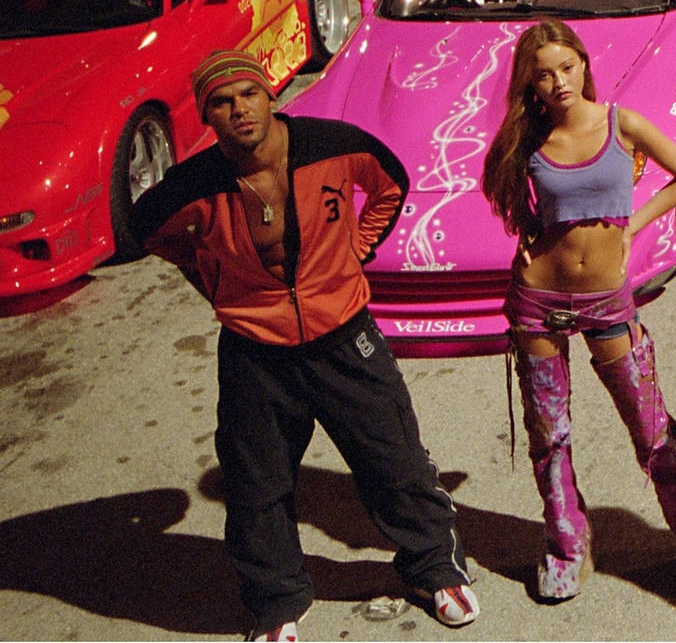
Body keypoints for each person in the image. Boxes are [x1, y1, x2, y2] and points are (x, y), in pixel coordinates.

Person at [127, 50, 476, 642]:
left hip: (344, 334)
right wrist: (211, 277)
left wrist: (356, 249)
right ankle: (276, 600)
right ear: (207, 116)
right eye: (222, 101)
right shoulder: (194, 184)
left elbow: (391, 184)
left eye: (248, 94)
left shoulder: (331, 145)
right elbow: (148, 230)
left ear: (270, 96)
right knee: (256, 484)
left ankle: (433, 568)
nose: (239, 109)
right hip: (254, 351)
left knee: (393, 459)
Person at [480, 19, 676, 604]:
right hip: (537, 303)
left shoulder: (622, 124)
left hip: (607, 299)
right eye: (543, 75)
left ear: (584, 66)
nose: (558, 82)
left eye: (566, 67)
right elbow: (507, 196)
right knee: (549, 435)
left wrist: (630, 226)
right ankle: (568, 547)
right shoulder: (529, 140)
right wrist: (536, 240)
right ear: (530, 86)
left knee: (651, 431)